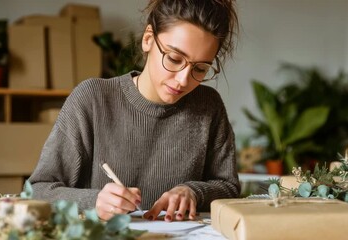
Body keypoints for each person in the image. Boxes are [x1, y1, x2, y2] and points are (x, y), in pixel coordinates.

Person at [28, 0, 240, 222]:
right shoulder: (93, 98)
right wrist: (94, 202)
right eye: (175, 59)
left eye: (200, 68)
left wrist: (194, 192)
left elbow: (229, 188)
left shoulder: (209, 105)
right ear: (148, 39)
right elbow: (37, 191)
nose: (183, 80)